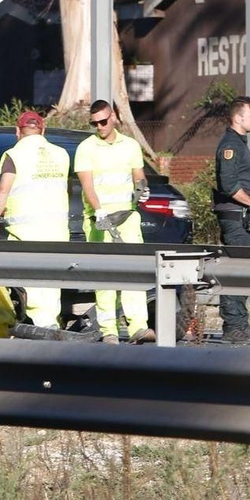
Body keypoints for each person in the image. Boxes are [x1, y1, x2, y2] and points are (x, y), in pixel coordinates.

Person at [0, 110, 79, 340]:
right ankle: (51, 324)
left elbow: (3, 190)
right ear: (43, 130)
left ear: (17, 132)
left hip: (26, 229)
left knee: (33, 281)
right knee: (52, 282)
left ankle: (41, 327)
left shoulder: (14, 154)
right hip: (57, 228)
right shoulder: (61, 154)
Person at [74, 100, 156, 344]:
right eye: (94, 123)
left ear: (113, 118)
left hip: (127, 218)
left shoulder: (130, 146)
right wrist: (98, 210)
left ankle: (138, 328)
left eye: (103, 121)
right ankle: (108, 330)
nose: (99, 126)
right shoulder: (86, 148)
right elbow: (87, 184)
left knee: (134, 273)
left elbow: (139, 176)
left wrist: (143, 189)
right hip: (100, 220)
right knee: (105, 277)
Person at [213, 96, 250, 345]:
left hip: (243, 218)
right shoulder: (230, 145)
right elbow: (228, 185)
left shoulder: (239, 143)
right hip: (236, 217)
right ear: (238, 118)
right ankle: (232, 326)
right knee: (236, 270)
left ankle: (241, 324)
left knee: (244, 270)